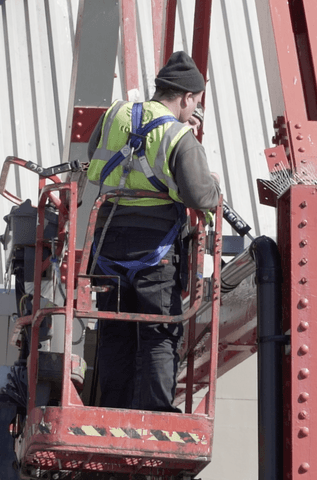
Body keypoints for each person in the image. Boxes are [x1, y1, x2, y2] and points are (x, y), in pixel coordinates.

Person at [86, 51, 220, 412]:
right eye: (195, 103)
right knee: (159, 334)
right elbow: (199, 195)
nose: (194, 112)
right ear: (187, 97)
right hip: (154, 252)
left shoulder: (114, 114)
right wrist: (214, 186)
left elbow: (93, 153)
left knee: (114, 332)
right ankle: (158, 415)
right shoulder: (179, 136)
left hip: (108, 245)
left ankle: (109, 411)